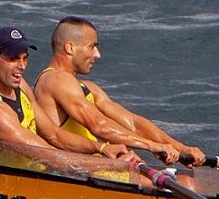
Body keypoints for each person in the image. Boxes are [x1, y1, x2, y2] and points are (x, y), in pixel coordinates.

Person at [33, 16, 205, 166]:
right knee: (186, 184)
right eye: (92, 47)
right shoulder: (56, 80)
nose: (97, 54)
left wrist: (180, 149)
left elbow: (133, 123)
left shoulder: (89, 88)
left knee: (185, 181)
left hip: (92, 168)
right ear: (70, 47)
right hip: (69, 172)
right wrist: (151, 146)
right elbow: (99, 125)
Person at [0, 27, 130, 163]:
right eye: (13, 59)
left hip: (42, 170)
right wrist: (112, 164)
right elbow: (48, 155)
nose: (22, 66)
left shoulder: (21, 86)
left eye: (25, 58)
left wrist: (102, 148)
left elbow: (54, 135)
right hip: (19, 180)